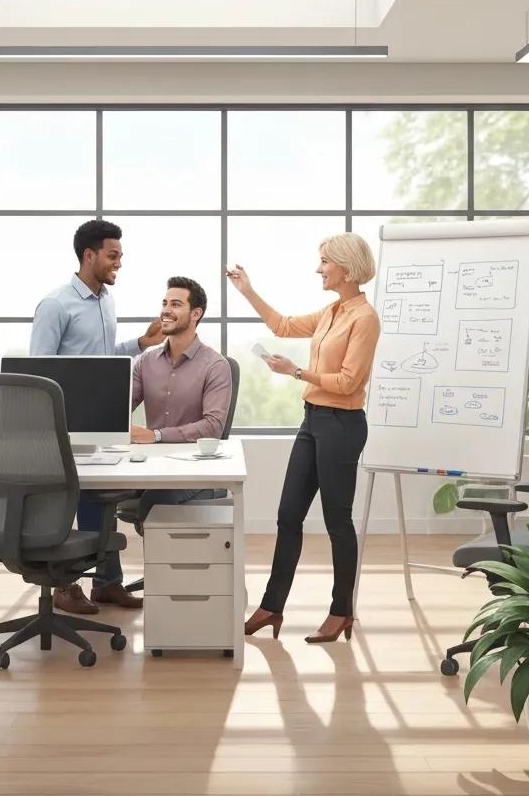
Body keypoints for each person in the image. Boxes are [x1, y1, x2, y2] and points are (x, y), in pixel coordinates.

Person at [227, 233, 381, 644]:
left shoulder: (364, 318)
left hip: (342, 425)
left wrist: (296, 373)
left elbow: (349, 383)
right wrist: (248, 291)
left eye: (325, 262)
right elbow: (282, 325)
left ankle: (341, 610)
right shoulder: (332, 312)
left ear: (346, 268)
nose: (319, 269)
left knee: (337, 522)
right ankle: (272, 606)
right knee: (288, 514)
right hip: (313, 421)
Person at [30, 218, 163, 614]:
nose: (119, 262)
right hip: (64, 425)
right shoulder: (55, 305)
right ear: (89, 255)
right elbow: (38, 371)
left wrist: (141, 343)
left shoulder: (106, 299)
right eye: (112, 255)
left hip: (98, 419)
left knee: (99, 498)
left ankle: (107, 583)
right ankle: (66, 587)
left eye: (120, 255)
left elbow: (103, 358)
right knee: (68, 500)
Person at [129, 276, 233, 524]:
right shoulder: (146, 361)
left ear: (195, 313)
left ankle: (160, 562)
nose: (166, 310)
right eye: (165, 303)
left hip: (194, 470)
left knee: (154, 501)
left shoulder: (216, 365)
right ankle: (108, 565)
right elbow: (117, 408)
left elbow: (212, 427)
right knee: (95, 491)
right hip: (150, 465)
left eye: (175, 304)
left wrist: (155, 436)